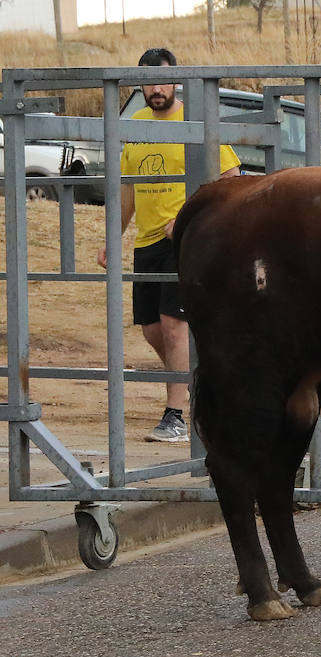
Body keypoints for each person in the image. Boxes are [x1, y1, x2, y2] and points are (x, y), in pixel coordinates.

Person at [96, 49, 241, 442]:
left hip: (187, 241)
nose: (155, 88)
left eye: (162, 80)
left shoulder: (194, 120)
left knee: (176, 326)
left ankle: (175, 416)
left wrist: (190, 216)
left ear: (176, 81)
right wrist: (113, 235)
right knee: (151, 329)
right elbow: (127, 189)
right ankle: (201, 380)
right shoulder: (135, 126)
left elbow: (231, 176)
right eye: (147, 81)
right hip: (147, 244)